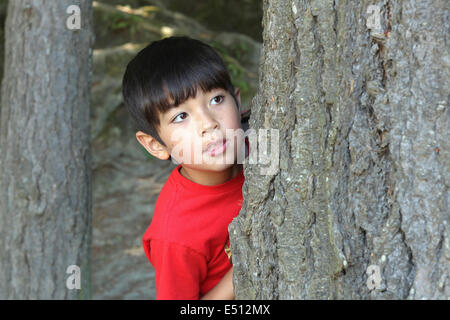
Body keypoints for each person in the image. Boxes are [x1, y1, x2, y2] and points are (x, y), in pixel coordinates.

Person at [122, 36, 249, 300]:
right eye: (181, 116)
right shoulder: (175, 235)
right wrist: (240, 275)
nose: (208, 123)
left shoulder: (260, 150)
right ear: (155, 145)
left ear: (237, 103)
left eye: (216, 99)